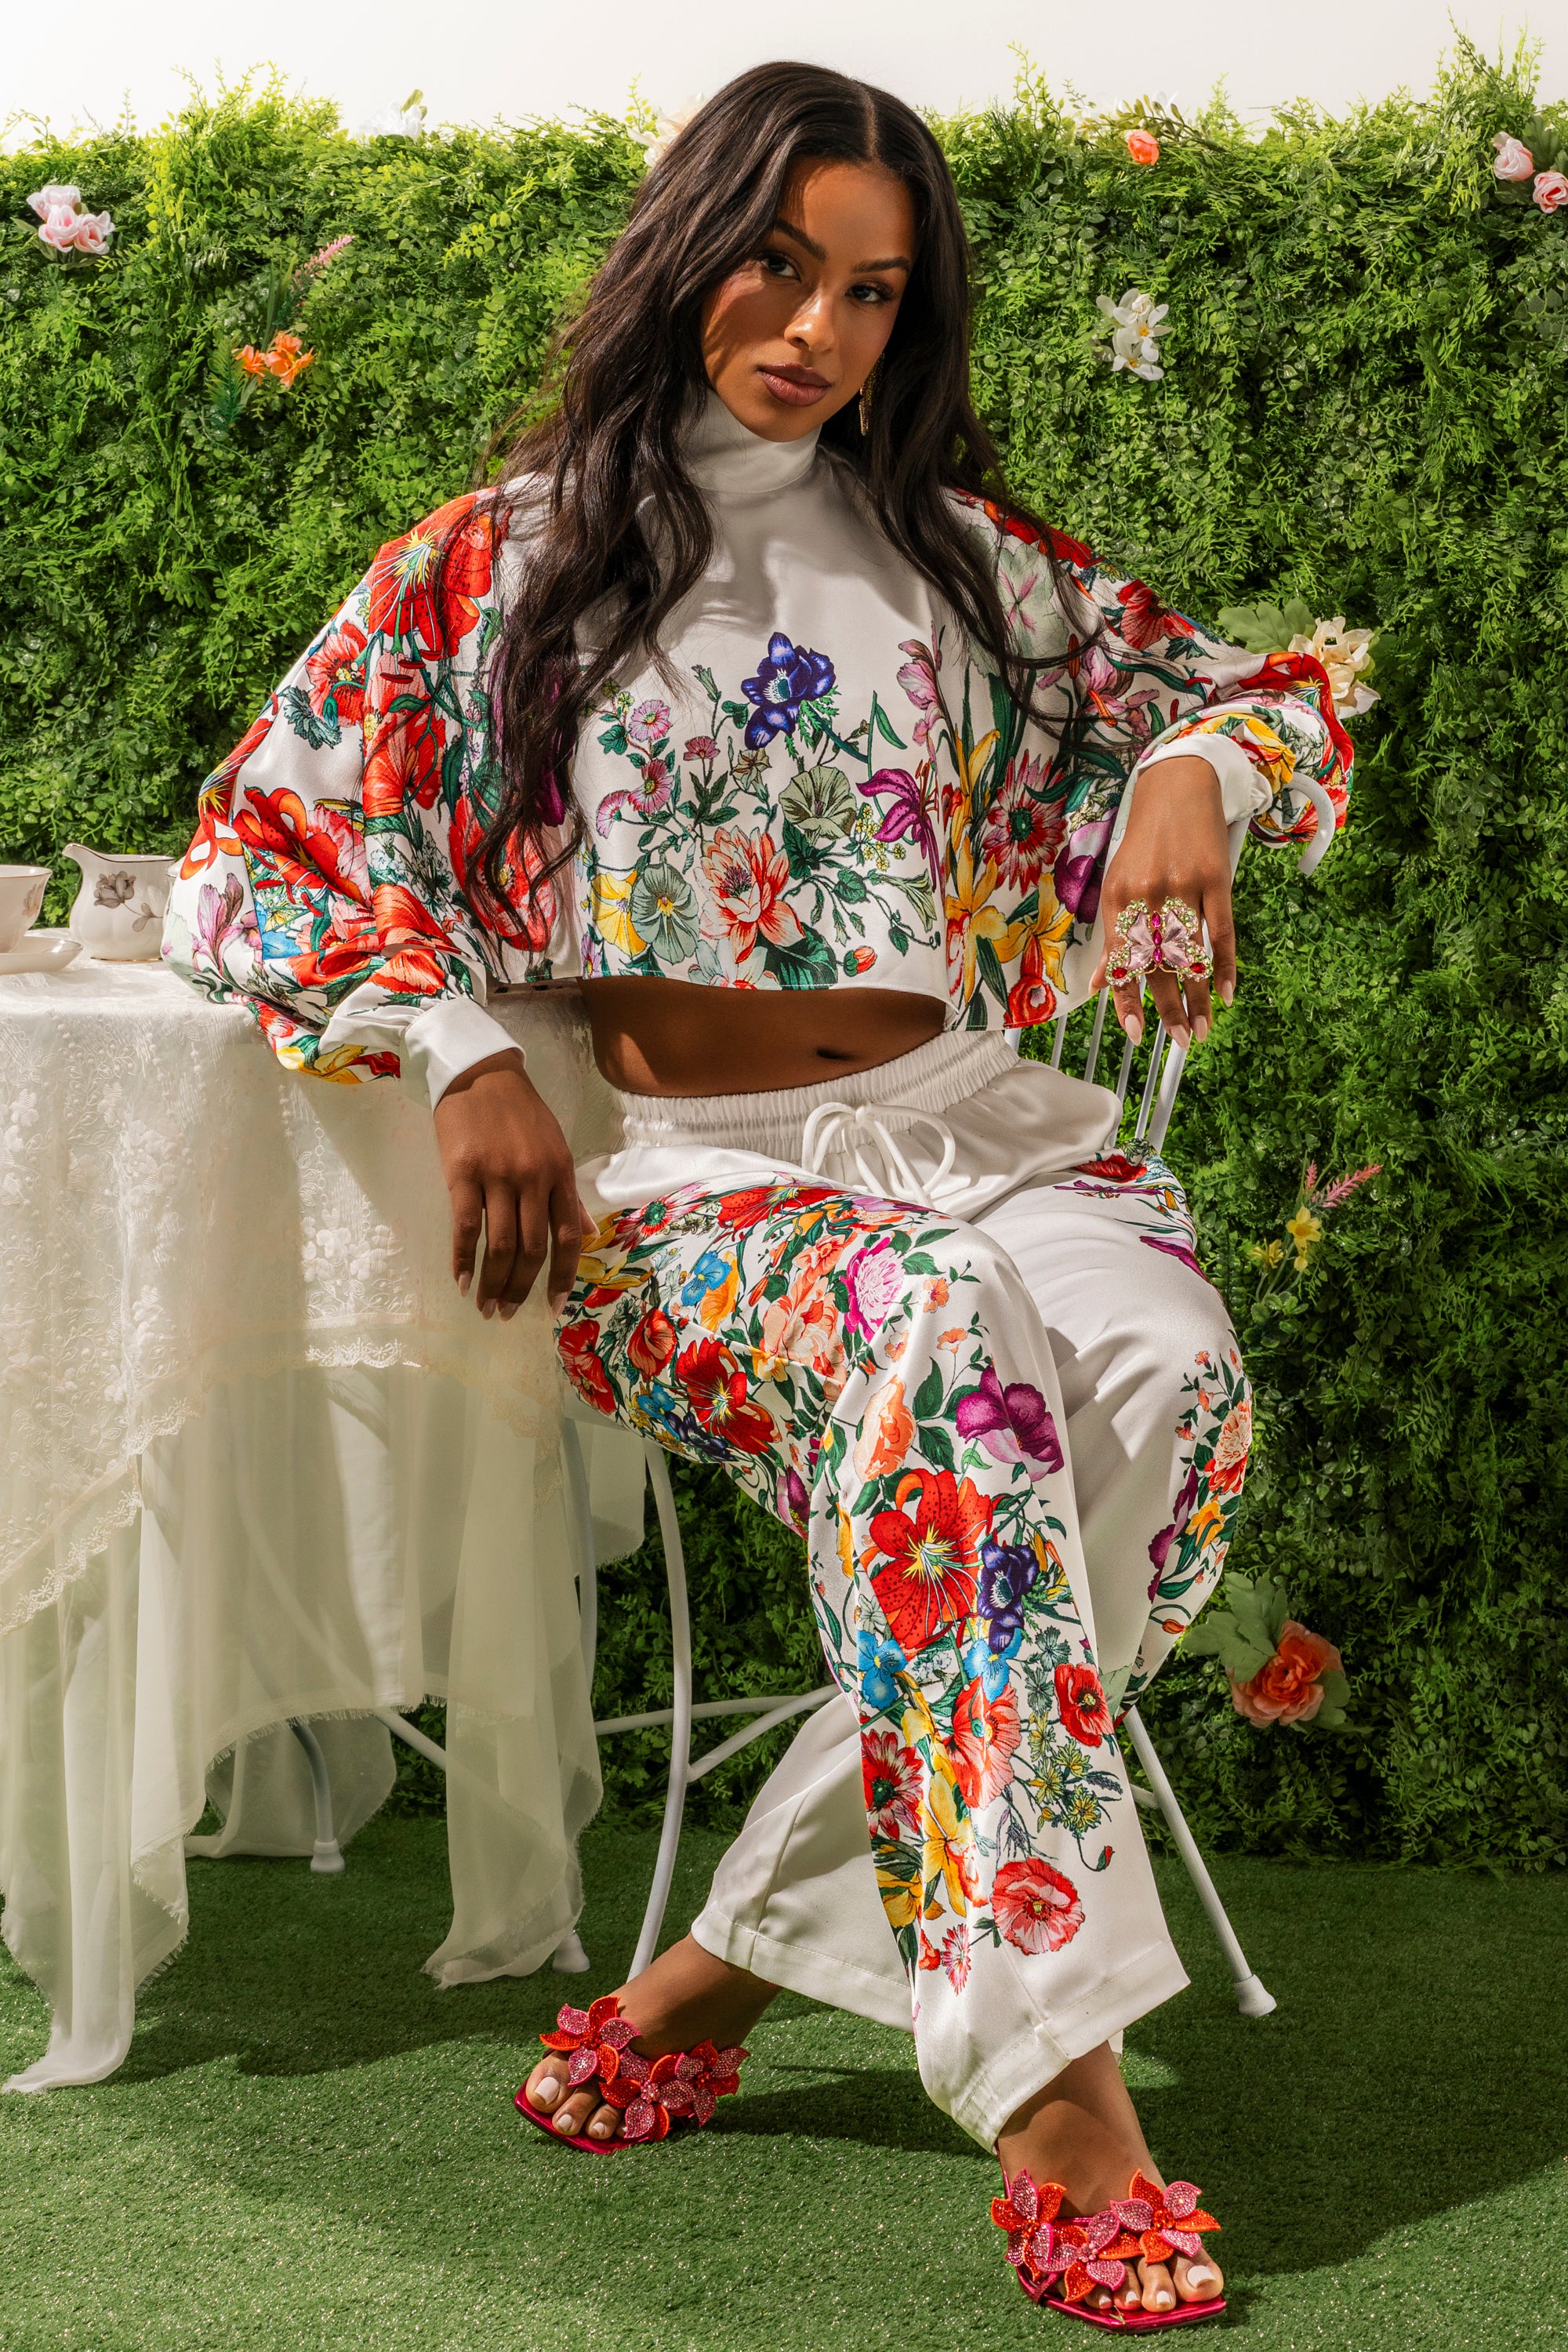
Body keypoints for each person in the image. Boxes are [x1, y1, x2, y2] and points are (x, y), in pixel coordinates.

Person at [165, 60, 1350, 2325]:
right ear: (690, 243)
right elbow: (262, 852)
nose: (816, 327)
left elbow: (1290, 692)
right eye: (781, 261)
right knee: (940, 1346)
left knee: (1170, 1393)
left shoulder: (955, 567)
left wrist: (1195, 755)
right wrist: (455, 1053)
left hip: (972, 1124)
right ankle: (1056, 2085)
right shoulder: (489, 565)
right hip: (683, 1193)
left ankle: (719, 1968)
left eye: (874, 294)